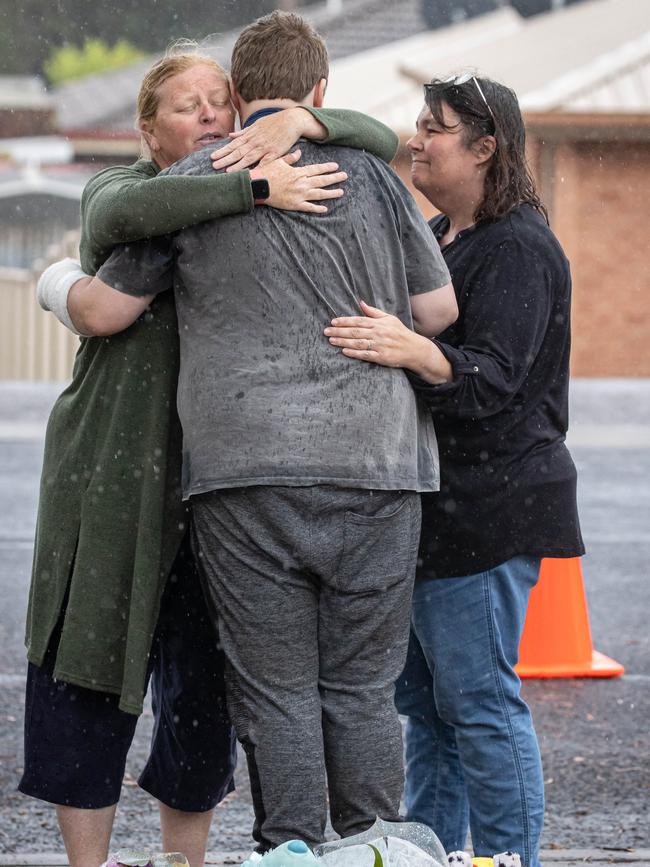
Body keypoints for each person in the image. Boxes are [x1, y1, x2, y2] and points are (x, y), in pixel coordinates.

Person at [54, 11, 457, 853]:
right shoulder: (376, 178)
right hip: (378, 466)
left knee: (274, 689)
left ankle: (292, 847)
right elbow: (438, 310)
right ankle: (372, 841)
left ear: (237, 97)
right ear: (319, 91)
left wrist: (55, 277)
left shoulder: (194, 183)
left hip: (245, 472)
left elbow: (110, 308)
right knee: (361, 686)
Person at [324, 75, 585, 867]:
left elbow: (498, 378)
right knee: (429, 709)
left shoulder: (519, 246)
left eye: (434, 128)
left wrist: (416, 350)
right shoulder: (443, 235)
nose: (415, 138)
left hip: (492, 509)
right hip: (436, 509)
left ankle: (508, 860)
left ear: (485, 146)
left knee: (479, 704)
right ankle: (434, 855)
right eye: (417, 123)